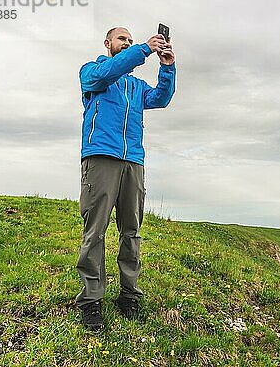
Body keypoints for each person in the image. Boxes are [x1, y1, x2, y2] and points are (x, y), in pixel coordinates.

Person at [75, 26, 176, 330]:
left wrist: (168, 67)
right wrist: (144, 48)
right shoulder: (93, 72)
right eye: (123, 39)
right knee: (95, 231)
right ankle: (92, 299)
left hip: (133, 161)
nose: (127, 44)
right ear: (108, 43)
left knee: (131, 231)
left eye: (130, 41)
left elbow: (160, 98)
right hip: (101, 157)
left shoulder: (135, 85)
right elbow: (110, 72)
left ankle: (129, 294)